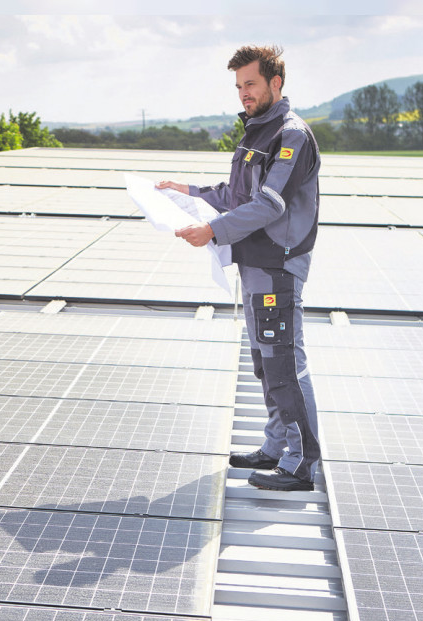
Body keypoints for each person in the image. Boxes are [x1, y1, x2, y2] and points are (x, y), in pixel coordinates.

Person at [157, 44, 320, 491]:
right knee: (265, 362)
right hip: (253, 263)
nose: (244, 93)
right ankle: (276, 446)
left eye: (251, 84)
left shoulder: (291, 136)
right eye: (238, 86)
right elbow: (236, 195)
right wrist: (187, 191)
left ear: (275, 83)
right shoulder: (256, 134)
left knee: (284, 362)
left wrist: (213, 230)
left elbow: (269, 204)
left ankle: (301, 463)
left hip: (278, 265)